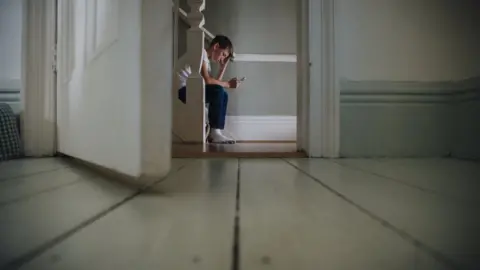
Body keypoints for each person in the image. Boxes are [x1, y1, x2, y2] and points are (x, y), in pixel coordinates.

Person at [176, 35, 241, 144]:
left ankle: (216, 131)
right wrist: (228, 84)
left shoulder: (205, 59)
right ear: (216, 46)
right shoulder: (200, 53)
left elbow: (214, 86)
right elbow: (207, 81)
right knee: (219, 92)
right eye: (223, 54)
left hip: (189, 90)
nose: (222, 58)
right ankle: (215, 133)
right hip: (182, 91)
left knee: (222, 94)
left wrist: (222, 68)